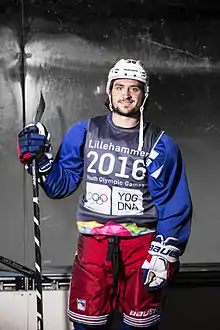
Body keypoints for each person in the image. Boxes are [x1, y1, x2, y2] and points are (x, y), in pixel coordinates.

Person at [17, 59, 192, 330]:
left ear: (144, 95)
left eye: (134, 88)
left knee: (138, 325)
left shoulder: (160, 144)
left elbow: (173, 203)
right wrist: (39, 158)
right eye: (120, 87)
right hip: (94, 245)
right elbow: (60, 185)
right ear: (109, 92)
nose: (126, 94)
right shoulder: (85, 132)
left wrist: (166, 251)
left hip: (140, 246)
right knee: (87, 323)